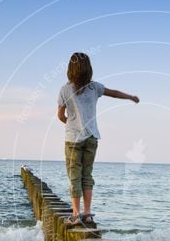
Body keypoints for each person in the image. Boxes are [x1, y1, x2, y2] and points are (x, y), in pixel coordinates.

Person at [57, 52, 139, 224]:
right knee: (87, 175)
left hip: (73, 139)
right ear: (89, 69)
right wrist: (131, 97)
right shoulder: (94, 88)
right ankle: (87, 213)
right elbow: (114, 93)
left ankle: (76, 214)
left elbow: (60, 115)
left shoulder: (65, 90)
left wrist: (70, 124)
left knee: (74, 176)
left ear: (70, 70)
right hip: (92, 137)